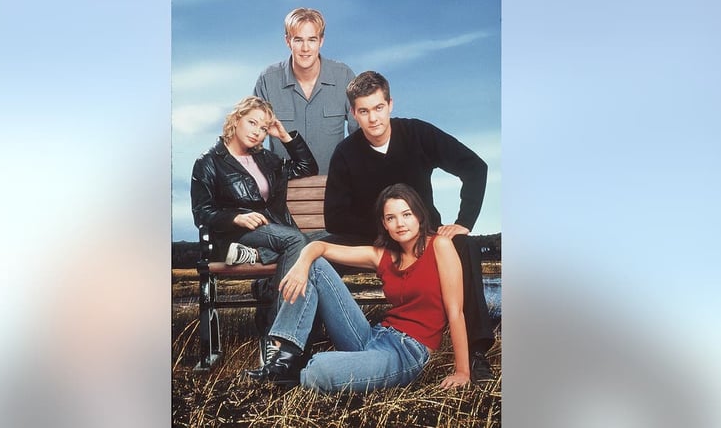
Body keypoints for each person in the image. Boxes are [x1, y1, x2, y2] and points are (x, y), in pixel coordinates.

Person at [323, 70, 497, 382]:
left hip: (425, 237)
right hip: (375, 239)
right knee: (322, 255)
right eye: (364, 111)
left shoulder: (417, 134)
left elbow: (475, 167)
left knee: (464, 246)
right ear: (354, 113)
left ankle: (475, 352)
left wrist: (464, 222)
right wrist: (384, 231)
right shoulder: (346, 153)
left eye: (378, 108)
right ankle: (311, 339)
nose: (373, 118)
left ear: (390, 103)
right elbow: (334, 217)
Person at [245, 183, 470, 392]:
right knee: (315, 264)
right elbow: (319, 247)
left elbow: (455, 312)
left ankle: (301, 371)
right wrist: (301, 265)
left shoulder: (440, 245)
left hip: (406, 352)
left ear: (419, 216)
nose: (400, 223)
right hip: (372, 335)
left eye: (406, 214)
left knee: (320, 370)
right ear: (384, 224)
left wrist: (462, 371)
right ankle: (285, 358)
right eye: (391, 218)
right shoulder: (381, 255)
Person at [190, 96, 318, 362]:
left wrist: (284, 135)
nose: (257, 131)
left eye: (262, 128)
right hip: (236, 233)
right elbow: (202, 212)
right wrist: (235, 217)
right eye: (252, 122)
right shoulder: (209, 162)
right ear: (236, 119)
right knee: (298, 242)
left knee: (316, 242)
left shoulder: (265, 159)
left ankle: (256, 257)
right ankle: (277, 338)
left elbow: (307, 167)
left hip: (270, 233)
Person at [253, 7, 357, 174]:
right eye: (298, 40)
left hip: (334, 187)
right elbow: (251, 140)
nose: (305, 48)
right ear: (288, 41)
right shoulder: (268, 80)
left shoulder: (343, 76)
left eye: (312, 40)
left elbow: (360, 135)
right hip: (283, 190)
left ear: (321, 41)